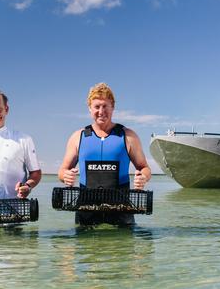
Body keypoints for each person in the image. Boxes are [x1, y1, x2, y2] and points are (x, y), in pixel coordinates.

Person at [57, 82, 152, 226]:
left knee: (121, 248)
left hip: (121, 208)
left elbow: (144, 167)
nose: (101, 111)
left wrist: (143, 177)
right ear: (90, 108)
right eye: (97, 106)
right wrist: (66, 176)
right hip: (86, 208)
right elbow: (62, 171)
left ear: (112, 107)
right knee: (84, 248)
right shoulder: (78, 137)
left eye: (105, 106)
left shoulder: (128, 136)